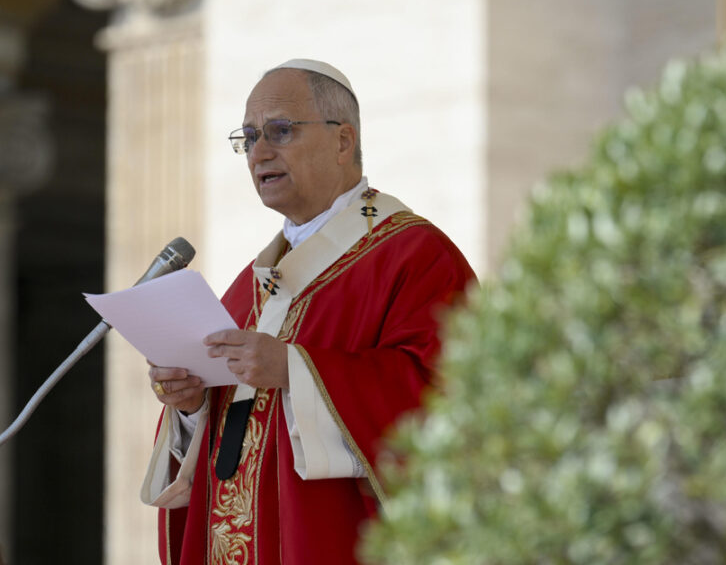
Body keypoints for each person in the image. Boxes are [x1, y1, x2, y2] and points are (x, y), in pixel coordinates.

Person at [140, 59, 476, 564]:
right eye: (249, 137)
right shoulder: (246, 291)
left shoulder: (415, 257)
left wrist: (295, 371)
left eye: (280, 130)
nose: (260, 152)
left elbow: (449, 403)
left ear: (343, 141)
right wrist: (189, 408)